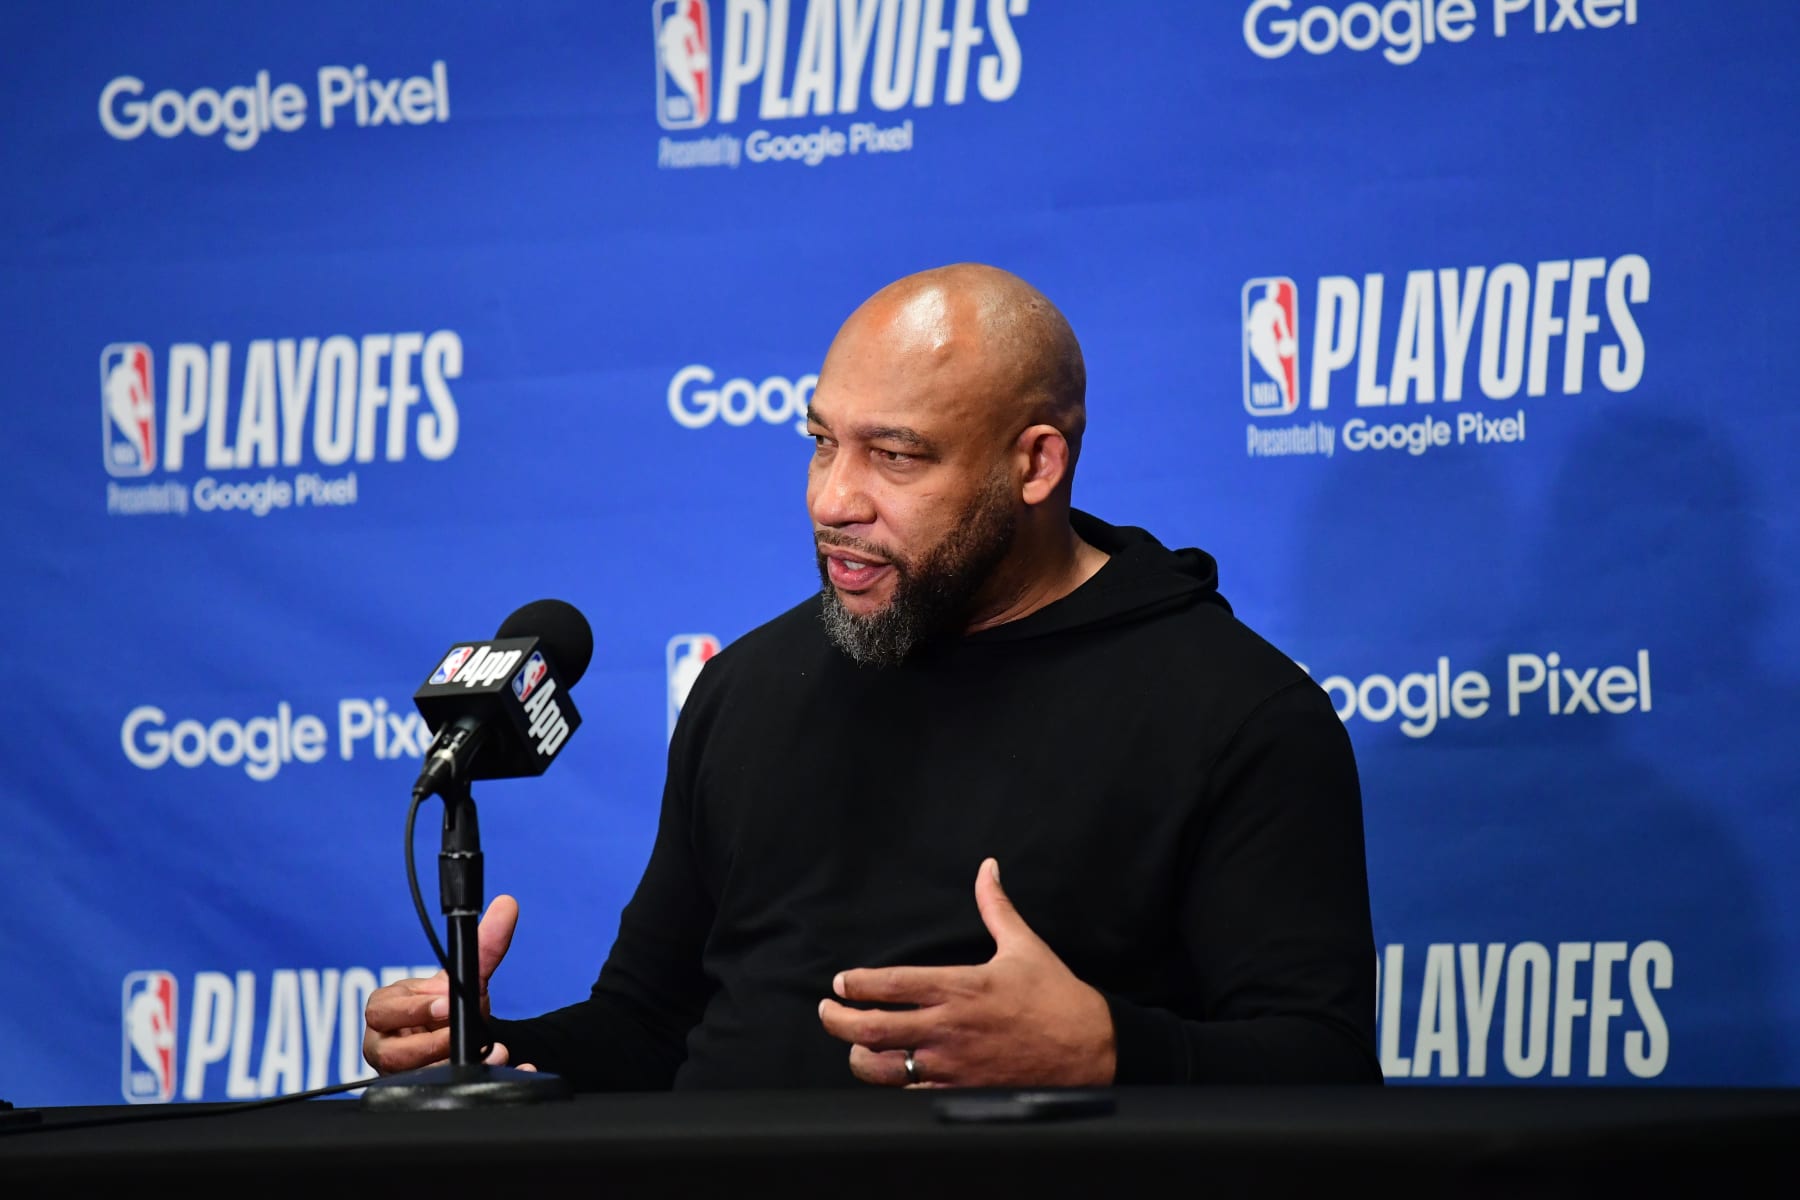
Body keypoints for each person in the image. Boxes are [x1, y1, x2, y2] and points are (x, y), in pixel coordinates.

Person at [363, 263, 1381, 1089]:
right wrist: (496, 1052)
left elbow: (1325, 1067)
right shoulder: (748, 687)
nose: (833, 498)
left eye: (895, 457)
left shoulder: (1235, 711)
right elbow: (653, 1025)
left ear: (1035, 465)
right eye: (820, 443)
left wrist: (1109, 1049)